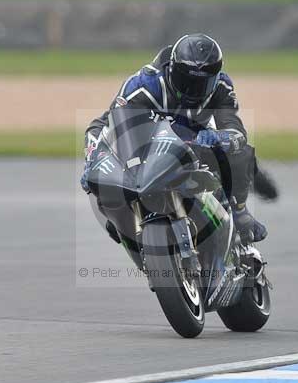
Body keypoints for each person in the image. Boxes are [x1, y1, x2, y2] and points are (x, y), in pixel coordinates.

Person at [81, 33, 267, 243]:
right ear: (171, 69)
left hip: (195, 140)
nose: (193, 90)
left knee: (242, 154)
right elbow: (116, 129)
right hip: (145, 140)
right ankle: (122, 221)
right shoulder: (144, 84)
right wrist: (94, 163)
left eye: (202, 83)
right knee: (103, 180)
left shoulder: (222, 86)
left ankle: (239, 212)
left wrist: (223, 137)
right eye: (185, 81)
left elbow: (233, 125)